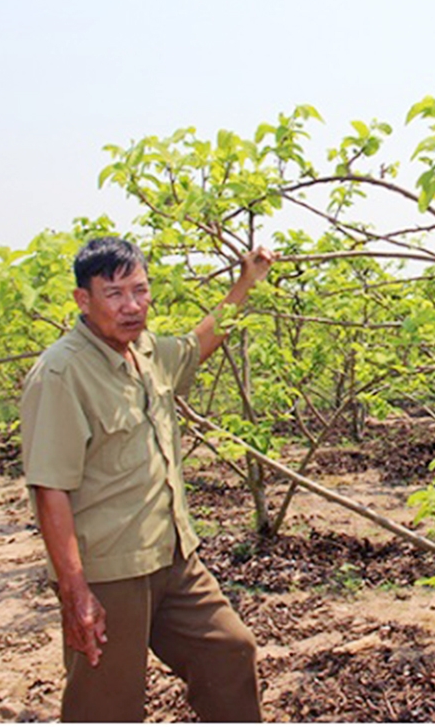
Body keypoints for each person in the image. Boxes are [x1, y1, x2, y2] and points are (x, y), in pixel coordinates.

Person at [20, 236, 276, 722]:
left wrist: (247, 282)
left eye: (140, 290)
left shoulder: (147, 352)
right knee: (107, 707)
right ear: (83, 300)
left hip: (173, 557)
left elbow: (197, 345)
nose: (132, 306)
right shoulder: (61, 373)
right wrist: (76, 593)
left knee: (229, 652)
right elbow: (49, 489)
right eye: (114, 294)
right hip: (109, 571)